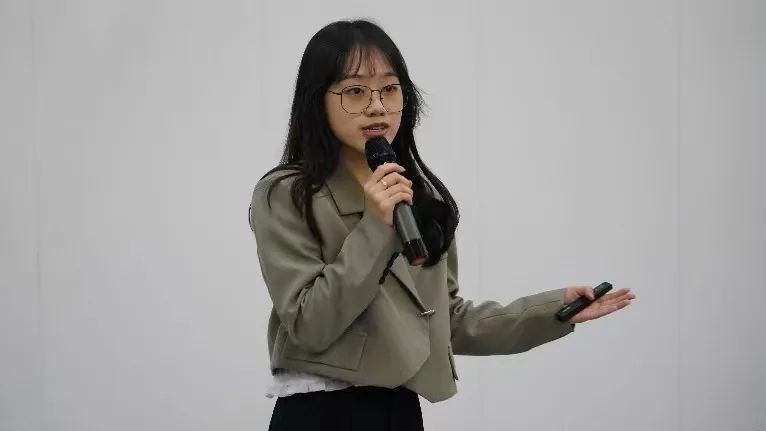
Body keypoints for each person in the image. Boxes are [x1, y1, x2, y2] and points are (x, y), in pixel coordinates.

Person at [248, 18, 635, 431]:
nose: (377, 106)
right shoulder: (288, 195)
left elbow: (446, 320)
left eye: (390, 89)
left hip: (400, 411)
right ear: (316, 100)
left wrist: (553, 311)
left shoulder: (419, 196)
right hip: (319, 412)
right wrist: (375, 228)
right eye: (355, 91)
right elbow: (309, 324)